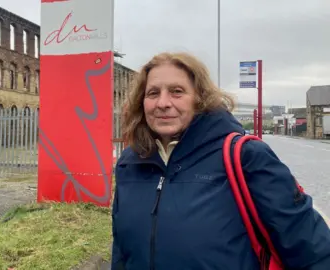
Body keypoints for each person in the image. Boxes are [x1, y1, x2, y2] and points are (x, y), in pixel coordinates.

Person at [111, 52, 330, 270]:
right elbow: (121, 252)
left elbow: (313, 252)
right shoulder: (129, 163)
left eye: (177, 92)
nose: (163, 102)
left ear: (200, 99)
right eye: (153, 93)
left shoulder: (246, 157)